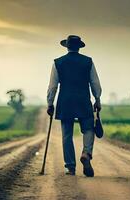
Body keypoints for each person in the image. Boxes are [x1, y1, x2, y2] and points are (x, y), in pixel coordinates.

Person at [47, 35, 102, 177]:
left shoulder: (58, 62)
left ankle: (70, 167)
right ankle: (86, 153)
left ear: (67, 46)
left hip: (65, 101)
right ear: (79, 47)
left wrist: (50, 103)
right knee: (89, 129)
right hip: (83, 100)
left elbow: (53, 86)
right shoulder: (88, 61)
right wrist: (97, 98)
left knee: (67, 135)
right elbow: (95, 83)